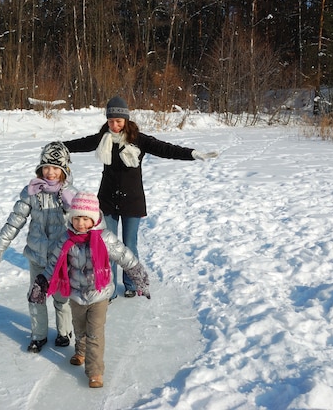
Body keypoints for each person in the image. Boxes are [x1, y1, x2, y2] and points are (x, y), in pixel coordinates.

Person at [62, 96, 218, 300]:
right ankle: (107, 285)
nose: (115, 125)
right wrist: (58, 146)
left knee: (129, 244)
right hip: (107, 199)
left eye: (118, 121)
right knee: (105, 245)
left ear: (126, 120)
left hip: (132, 200)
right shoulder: (103, 138)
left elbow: (166, 149)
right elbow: (81, 144)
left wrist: (192, 154)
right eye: (111, 121)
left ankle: (130, 283)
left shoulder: (139, 139)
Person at [27, 191, 151, 388]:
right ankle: (81, 351)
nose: (81, 224)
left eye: (86, 219)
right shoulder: (65, 240)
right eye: (77, 218)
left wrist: (139, 277)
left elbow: (125, 256)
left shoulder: (104, 238)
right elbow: (53, 265)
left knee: (94, 332)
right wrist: (41, 284)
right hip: (76, 294)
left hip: (99, 294)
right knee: (79, 328)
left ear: (93, 219)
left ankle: (94, 372)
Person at [0, 141, 76, 353]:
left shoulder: (70, 193)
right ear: (40, 168)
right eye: (47, 167)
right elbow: (15, 220)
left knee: (61, 296)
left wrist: (70, 206)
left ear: (64, 170)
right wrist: (0, 245)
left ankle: (64, 332)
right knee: (36, 296)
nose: (51, 172)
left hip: (61, 257)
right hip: (37, 256)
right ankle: (39, 335)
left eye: (56, 168)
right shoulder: (31, 192)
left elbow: (84, 223)